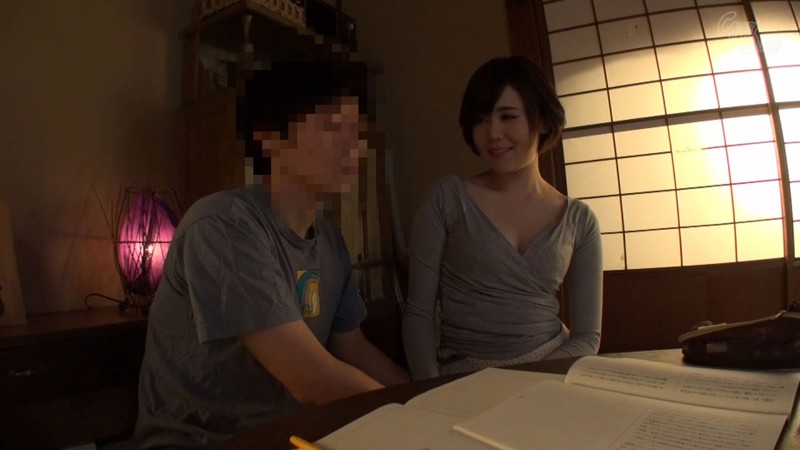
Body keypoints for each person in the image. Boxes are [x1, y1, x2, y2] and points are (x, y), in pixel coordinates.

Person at [135, 60, 410, 448]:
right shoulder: (223, 225)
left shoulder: (330, 241)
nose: (354, 144)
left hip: (293, 437)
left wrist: (424, 398)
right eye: (332, 127)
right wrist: (412, 419)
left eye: (356, 130)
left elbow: (352, 346)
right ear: (268, 138)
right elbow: (310, 379)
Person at [402, 56, 603, 380]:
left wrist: (529, 384)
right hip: (461, 378)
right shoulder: (446, 198)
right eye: (480, 120)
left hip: (549, 374)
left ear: (542, 121)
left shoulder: (579, 220)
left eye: (508, 116)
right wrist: (430, 391)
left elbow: (587, 337)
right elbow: (418, 315)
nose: (492, 133)